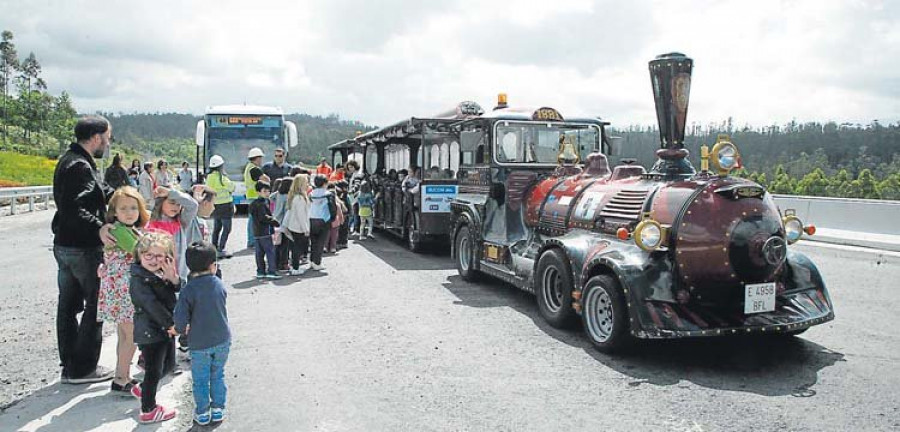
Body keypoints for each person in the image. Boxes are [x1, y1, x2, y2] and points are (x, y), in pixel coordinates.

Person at [52, 115, 117, 384]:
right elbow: (74, 208)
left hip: (64, 247)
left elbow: (101, 190)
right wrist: (98, 228)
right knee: (96, 306)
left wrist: (126, 198)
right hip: (83, 249)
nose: (108, 143)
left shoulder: (72, 160)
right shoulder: (80, 166)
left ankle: (70, 365)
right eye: (108, 137)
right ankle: (84, 368)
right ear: (97, 136)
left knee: (67, 306)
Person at [98, 186, 149, 398]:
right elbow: (140, 250)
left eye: (133, 208)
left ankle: (122, 376)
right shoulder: (119, 231)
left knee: (124, 334)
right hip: (124, 291)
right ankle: (121, 379)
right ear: (114, 211)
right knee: (130, 336)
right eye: (124, 208)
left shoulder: (125, 229)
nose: (129, 212)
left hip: (121, 290)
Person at [174, 241, 231, 426]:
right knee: (218, 374)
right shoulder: (219, 284)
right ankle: (218, 409)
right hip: (222, 338)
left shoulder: (188, 290)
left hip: (199, 343)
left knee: (200, 380)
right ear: (212, 265)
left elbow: (180, 317)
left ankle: (203, 412)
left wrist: (181, 330)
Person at [129, 232, 181, 424]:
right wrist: (171, 324)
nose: (153, 260)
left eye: (159, 256)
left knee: (167, 365)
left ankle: (143, 390)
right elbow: (151, 305)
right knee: (153, 370)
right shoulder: (139, 279)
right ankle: (148, 410)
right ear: (139, 255)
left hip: (163, 329)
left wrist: (173, 278)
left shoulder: (159, 273)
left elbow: (175, 289)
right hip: (150, 331)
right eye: (148, 255)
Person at [146, 186, 200, 283]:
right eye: (172, 203)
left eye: (179, 204)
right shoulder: (150, 222)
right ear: (161, 203)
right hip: (155, 275)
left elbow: (193, 205)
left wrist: (171, 193)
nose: (175, 207)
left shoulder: (181, 221)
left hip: (178, 275)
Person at [249, 181, 281, 279]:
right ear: (258, 192)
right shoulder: (262, 204)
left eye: (268, 191)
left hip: (256, 232)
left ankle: (260, 271)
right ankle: (271, 271)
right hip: (265, 231)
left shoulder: (253, 204)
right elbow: (263, 217)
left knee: (259, 253)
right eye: (264, 191)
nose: (267, 193)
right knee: (270, 252)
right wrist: (274, 221)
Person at [206, 155, 235, 258]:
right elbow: (232, 187)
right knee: (227, 228)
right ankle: (221, 249)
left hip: (215, 206)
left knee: (217, 228)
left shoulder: (209, 177)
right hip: (226, 206)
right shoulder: (222, 177)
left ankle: (213, 248)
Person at [282, 174, 310, 275]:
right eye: (306, 182)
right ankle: (296, 268)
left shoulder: (294, 196)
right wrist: (306, 228)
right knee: (297, 248)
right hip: (298, 227)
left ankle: (294, 267)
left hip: (292, 225)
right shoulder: (300, 198)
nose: (307, 184)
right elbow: (301, 215)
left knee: (294, 247)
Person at [243, 147, 270, 249]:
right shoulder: (254, 169)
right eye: (260, 158)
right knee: (254, 220)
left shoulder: (248, 167)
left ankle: (252, 241)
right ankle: (252, 242)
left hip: (251, 195)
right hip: (255, 196)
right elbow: (266, 179)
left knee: (252, 219)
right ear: (257, 158)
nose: (261, 161)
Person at [308, 174, 335, 271]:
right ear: (325, 183)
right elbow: (332, 207)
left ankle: (311, 260)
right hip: (324, 219)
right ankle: (317, 263)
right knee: (321, 242)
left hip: (311, 218)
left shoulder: (311, 193)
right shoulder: (329, 194)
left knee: (313, 241)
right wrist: (332, 218)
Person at [272, 176, 292, 271]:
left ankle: (275, 263)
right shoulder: (287, 197)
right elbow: (287, 211)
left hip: (275, 219)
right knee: (285, 245)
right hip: (284, 222)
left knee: (276, 244)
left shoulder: (278, 193)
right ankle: (284, 263)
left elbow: (270, 197)